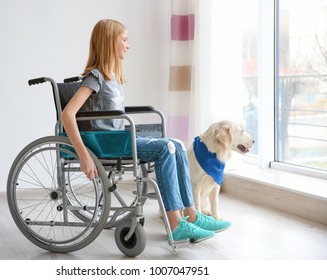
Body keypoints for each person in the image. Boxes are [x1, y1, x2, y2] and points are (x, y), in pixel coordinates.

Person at [61, 19, 230, 243]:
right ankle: (176, 224)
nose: (128, 45)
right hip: (109, 144)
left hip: (120, 139)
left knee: (177, 144)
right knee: (166, 148)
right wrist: (83, 156)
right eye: (124, 39)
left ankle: (191, 215)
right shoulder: (95, 77)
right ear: (109, 41)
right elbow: (67, 114)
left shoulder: (112, 78)